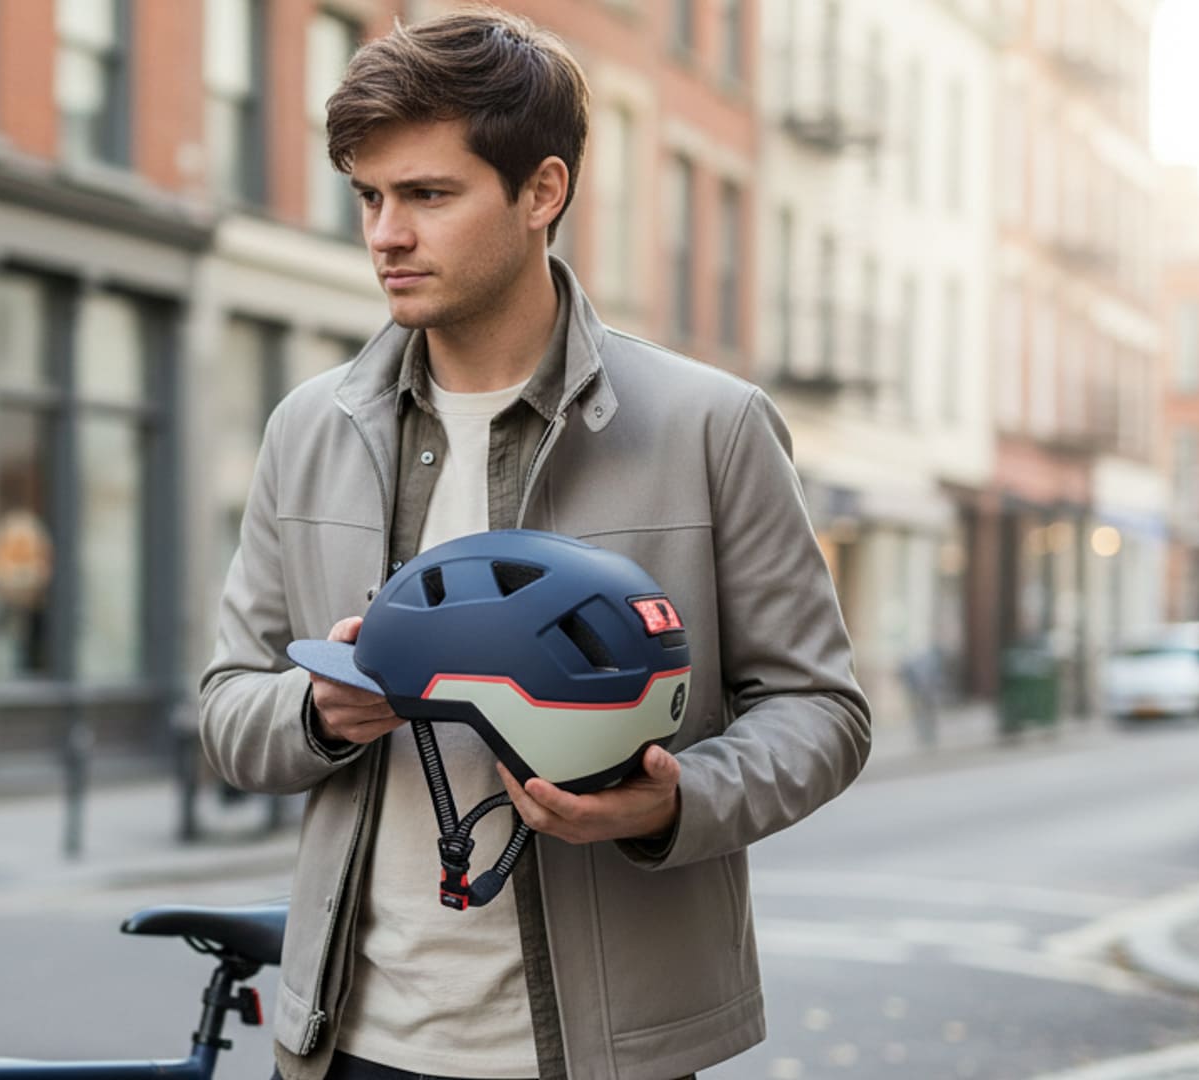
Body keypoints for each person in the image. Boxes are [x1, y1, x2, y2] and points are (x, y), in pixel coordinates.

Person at [197, 10, 872, 1080]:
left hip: (606, 1053)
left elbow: (821, 711)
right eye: (369, 197)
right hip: (349, 1045)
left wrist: (676, 801)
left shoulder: (712, 425)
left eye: (427, 195)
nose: (385, 235)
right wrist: (314, 712)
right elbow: (227, 707)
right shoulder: (308, 428)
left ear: (541, 192)